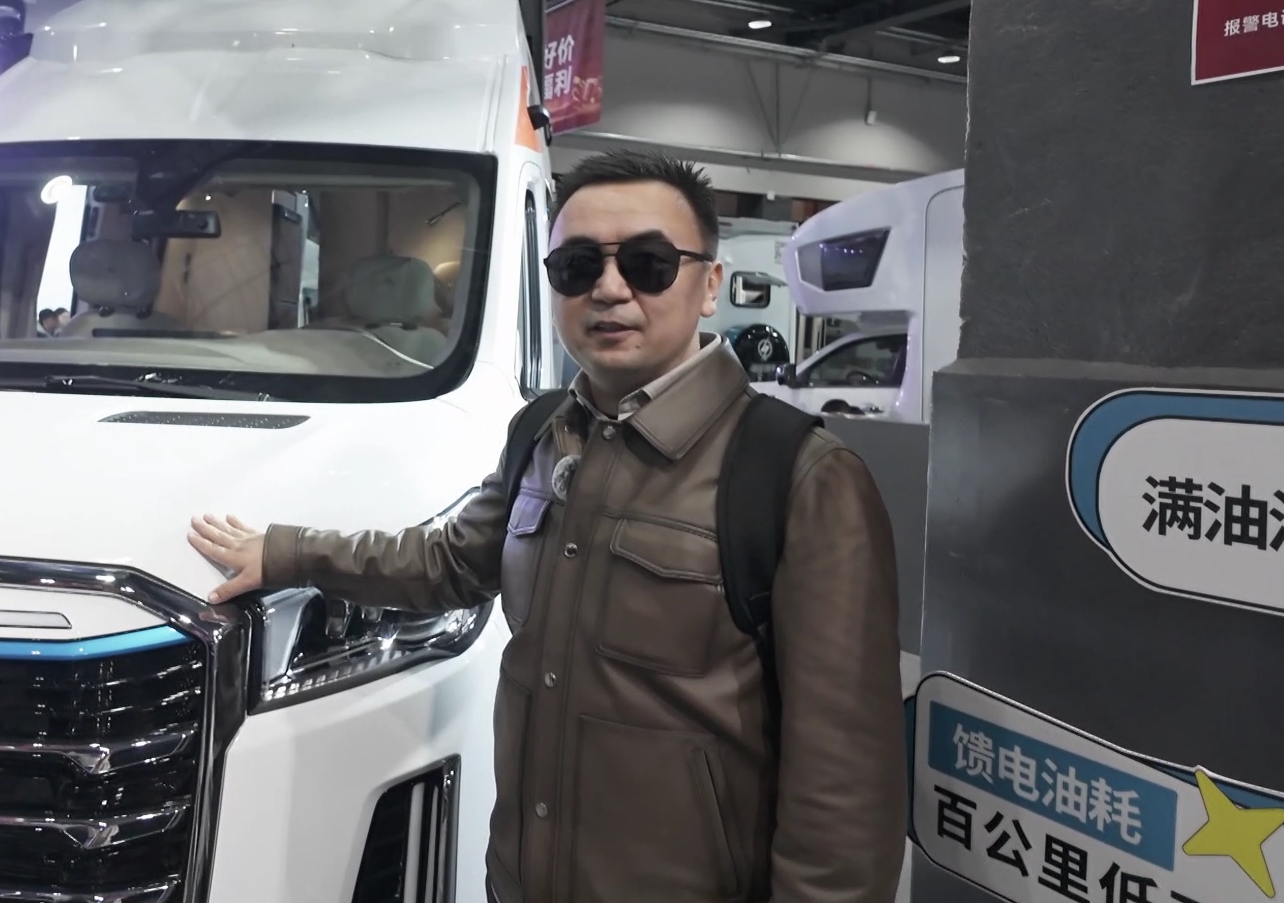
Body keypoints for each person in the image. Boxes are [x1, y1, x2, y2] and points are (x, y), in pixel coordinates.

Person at [187, 150, 906, 903]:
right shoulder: (543, 433)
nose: (610, 289)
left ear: (709, 286)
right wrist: (287, 551)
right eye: (577, 266)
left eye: (650, 263)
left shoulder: (799, 477)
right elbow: (448, 562)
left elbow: (845, 797)